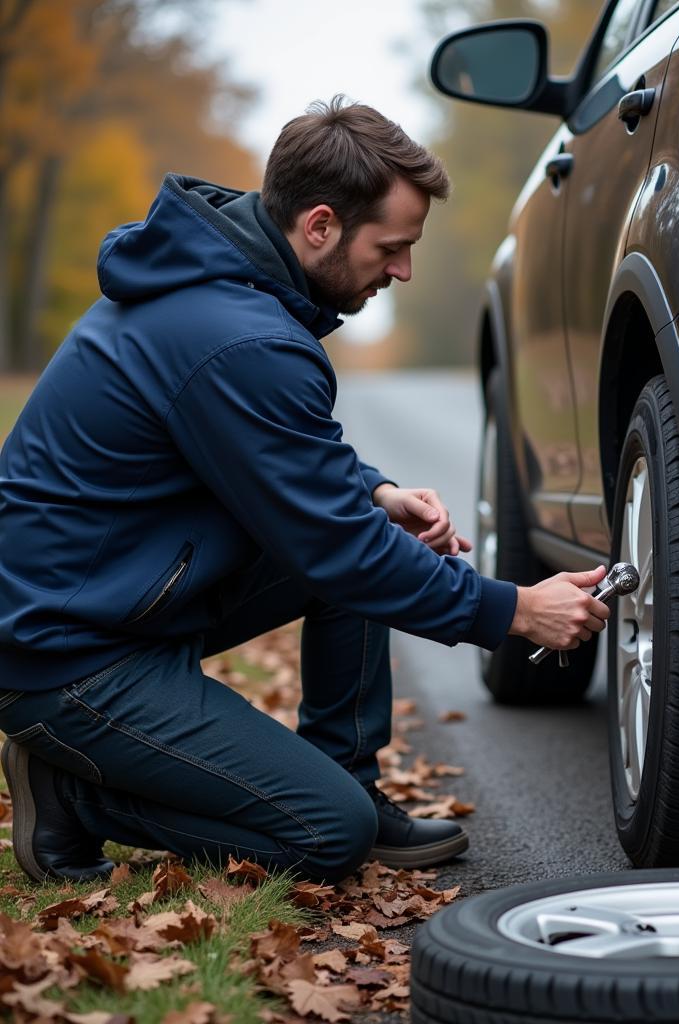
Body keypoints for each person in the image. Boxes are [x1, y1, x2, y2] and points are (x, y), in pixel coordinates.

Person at [0, 96, 610, 884]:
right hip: (68, 655)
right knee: (326, 837)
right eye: (391, 247)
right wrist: (517, 611)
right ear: (319, 225)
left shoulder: (225, 297)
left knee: (368, 532)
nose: (403, 269)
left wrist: (376, 491)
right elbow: (337, 549)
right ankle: (72, 797)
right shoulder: (239, 336)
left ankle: (346, 775)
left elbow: (262, 454)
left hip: (116, 600)